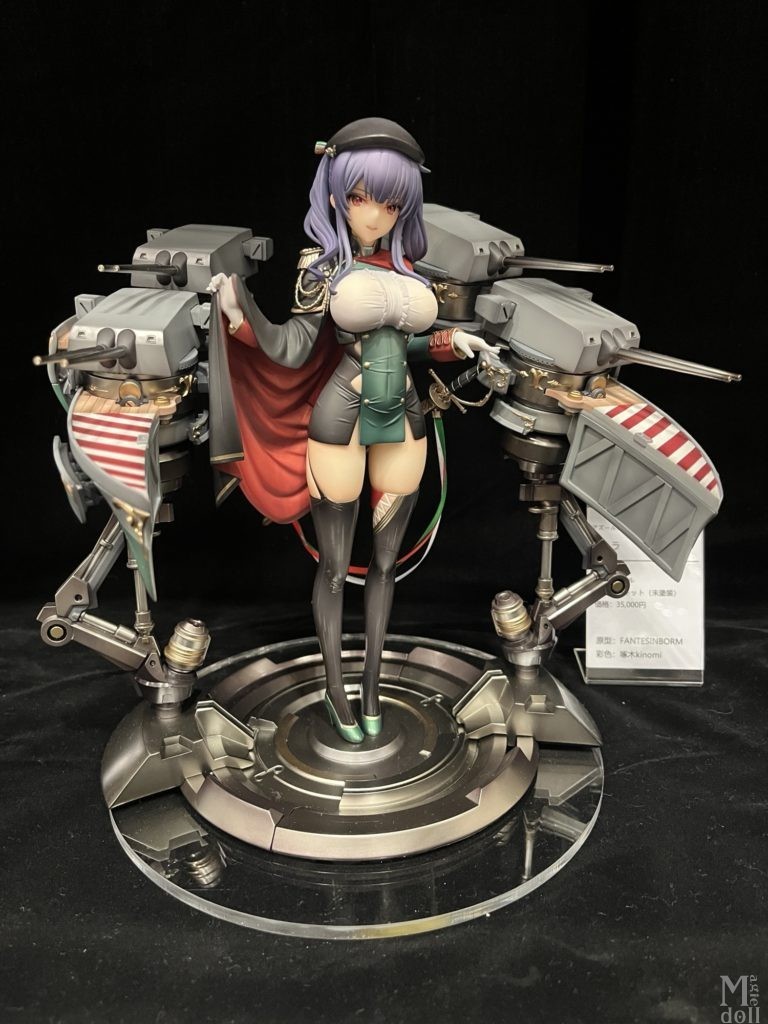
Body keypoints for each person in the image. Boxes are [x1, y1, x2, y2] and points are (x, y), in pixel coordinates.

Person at [209, 117, 497, 743]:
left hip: (405, 419)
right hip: (340, 416)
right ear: (338, 195)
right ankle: (337, 691)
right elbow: (293, 345)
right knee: (336, 568)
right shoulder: (321, 267)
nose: (376, 214)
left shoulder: (409, 265)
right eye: (364, 197)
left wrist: (454, 341)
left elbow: (410, 346)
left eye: (392, 203)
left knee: (386, 565)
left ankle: (370, 687)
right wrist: (238, 317)